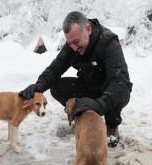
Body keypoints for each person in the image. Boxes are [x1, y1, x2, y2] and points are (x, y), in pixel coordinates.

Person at [19, 11, 132, 148]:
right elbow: (55, 69)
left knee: (116, 86)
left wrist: (99, 105)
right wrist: (38, 87)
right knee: (57, 86)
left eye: (76, 42)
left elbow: (120, 81)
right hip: (89, 88)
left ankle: (112, 126)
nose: (73, 47)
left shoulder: (108, 42)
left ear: (88, 29)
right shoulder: (73, 44)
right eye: (70, 43)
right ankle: (82, 116)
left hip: (111, 93)